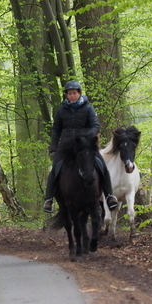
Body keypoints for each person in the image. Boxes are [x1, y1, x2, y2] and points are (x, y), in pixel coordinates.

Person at [43, 81, 119, 213]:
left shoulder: (88, 108)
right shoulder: (61, 110)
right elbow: (56, 130)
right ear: (66, 95)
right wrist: (54, 149)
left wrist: (86, 137)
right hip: (66, 146)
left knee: (102, 165)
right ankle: (48, 199)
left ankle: (109, 196)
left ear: (79, 94)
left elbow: (95, 126)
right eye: (69, 94)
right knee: (55, 169)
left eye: (74, 93)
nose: (72, 96)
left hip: (85, 145)